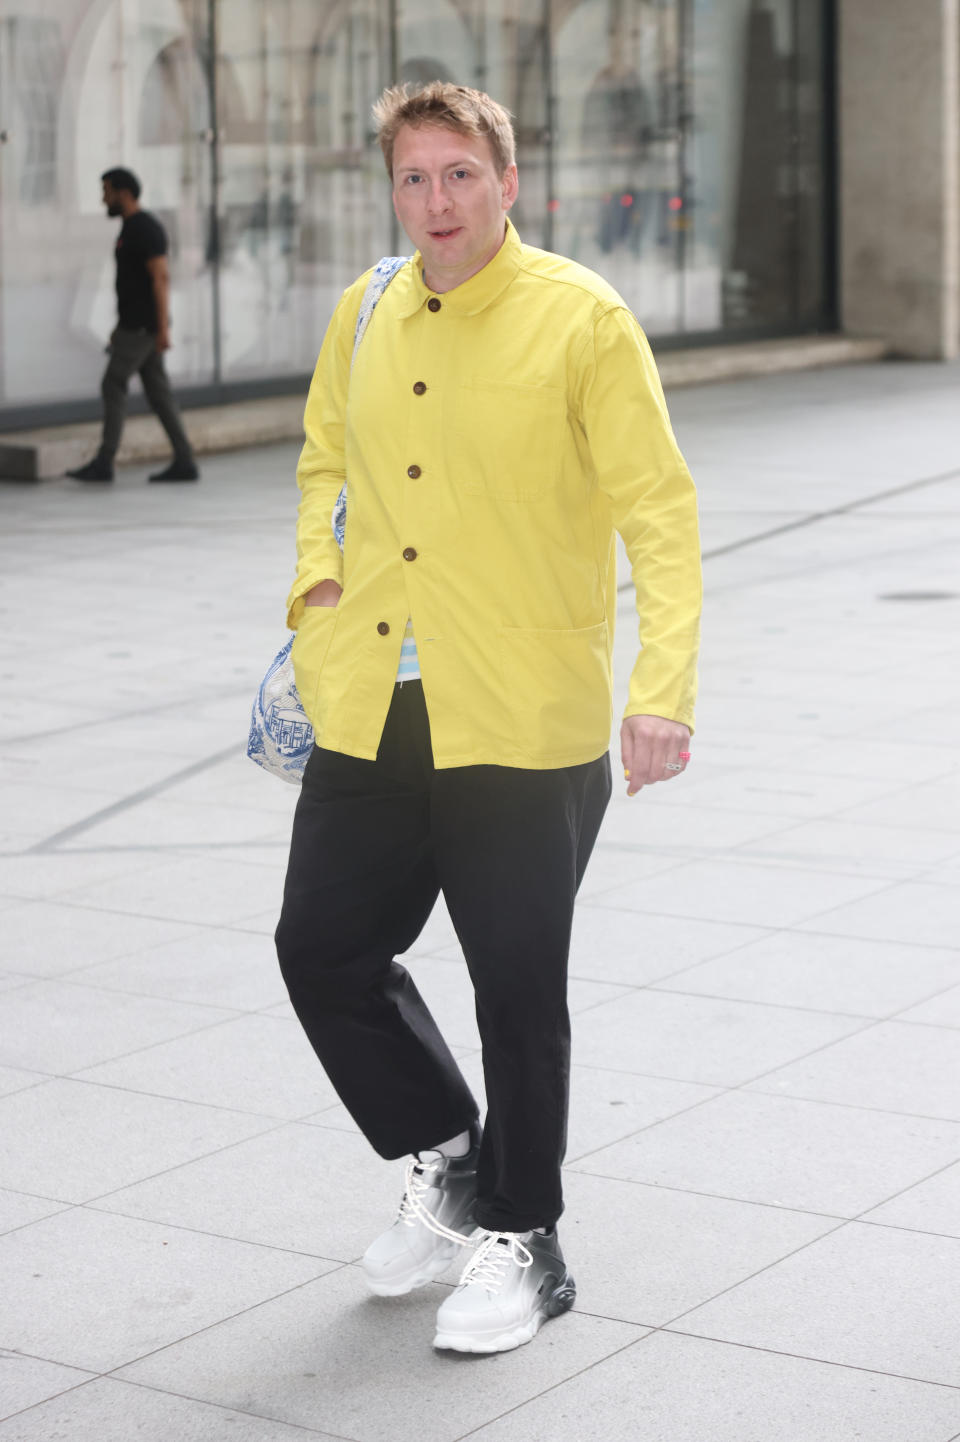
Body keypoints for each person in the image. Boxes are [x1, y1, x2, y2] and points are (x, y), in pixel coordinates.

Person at [275, 82, 701, 1355]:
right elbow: (321, 461)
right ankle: (449, 1151)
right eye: (415, 179)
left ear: (509, 183)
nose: (437, 203)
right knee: (323, 950)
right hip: (375, 693)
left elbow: (660, 514)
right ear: (392, 189)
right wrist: (315, 579)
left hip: (524, 711)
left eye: (461, 175)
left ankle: (526, 1236)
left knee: (517, 986)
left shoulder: (583, 319)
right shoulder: (363, 311)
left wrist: (662, 689)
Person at [67, 169, 199, 483]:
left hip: (142, 328)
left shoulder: (146, 229)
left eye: (106, 191)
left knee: (113, 384)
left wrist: (162, 329)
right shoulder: (130, 228)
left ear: (123, 192)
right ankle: (185, 460)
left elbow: (160, 278)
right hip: (135, 326)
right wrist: (121, 326)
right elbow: (132, 284)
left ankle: (104, 461)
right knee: (159, 393)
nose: (103, 198)